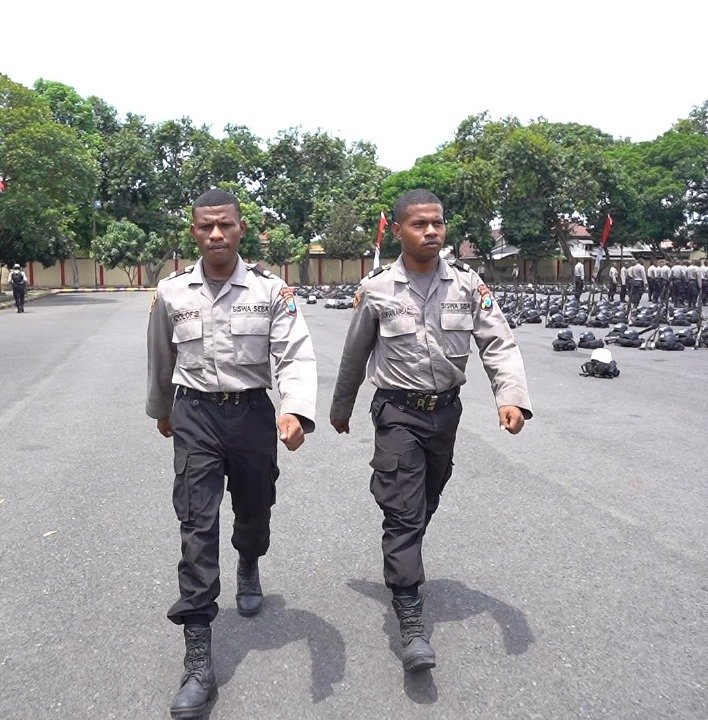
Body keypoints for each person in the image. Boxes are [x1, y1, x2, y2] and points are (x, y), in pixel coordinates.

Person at [329, 189, 532, 674]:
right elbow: (355, 354)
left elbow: (498, 343)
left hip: (445, 413)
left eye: (437, 223)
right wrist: (341, 407)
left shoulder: (468, 284)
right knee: (403, 509)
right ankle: (410, 614)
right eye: (419, 224)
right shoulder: (377, 289)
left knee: (425, 501)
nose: (431, 231)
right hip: (397, 412)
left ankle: (403, 556)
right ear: (399, 230)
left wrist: (510, 397)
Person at [146, 188, 317, 719]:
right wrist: (163, 410)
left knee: (255, 506)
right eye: (205, 226)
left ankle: (248, 562)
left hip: (250, 415)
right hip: (195, 413)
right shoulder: (171, 291)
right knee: (196, 525)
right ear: (194, 232)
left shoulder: (271, 290)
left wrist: (295, 410)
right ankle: (198, 659)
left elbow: (294, 354)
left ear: (241, 229)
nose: (215, 234)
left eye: (225, 225)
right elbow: (160, 356)